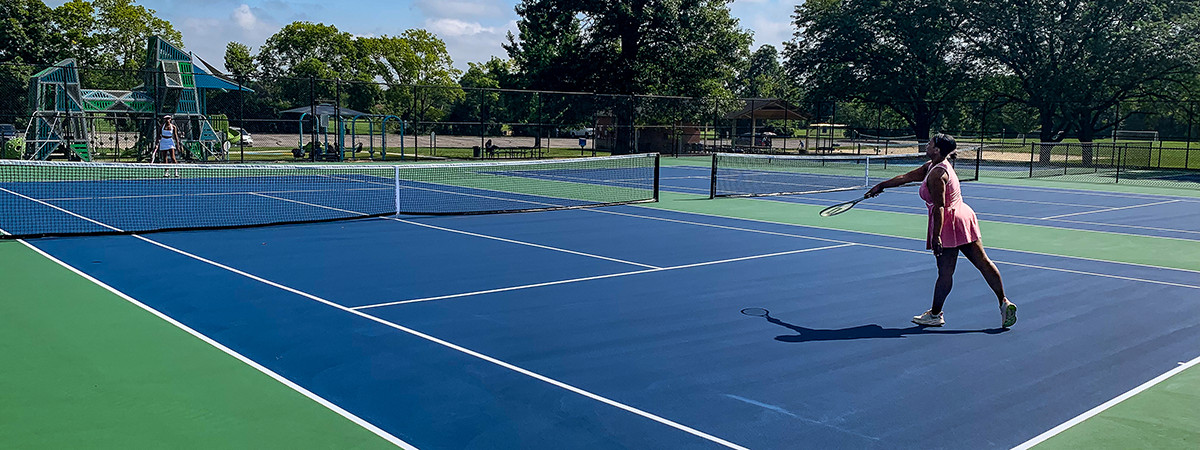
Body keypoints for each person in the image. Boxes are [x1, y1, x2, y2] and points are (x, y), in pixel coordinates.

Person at [866, 134, 1017, 328]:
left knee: (945, 272)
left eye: (930, 143)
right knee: (983, 262)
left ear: (937, 149)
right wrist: (882, 185)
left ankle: (935, 315)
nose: (927, 145)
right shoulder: (933, 166)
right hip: (964, 217)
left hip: (948, 223)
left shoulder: (937, 174)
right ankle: (1004, 302)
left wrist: (936, 235)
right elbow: (907, 177)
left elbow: (939, 207)